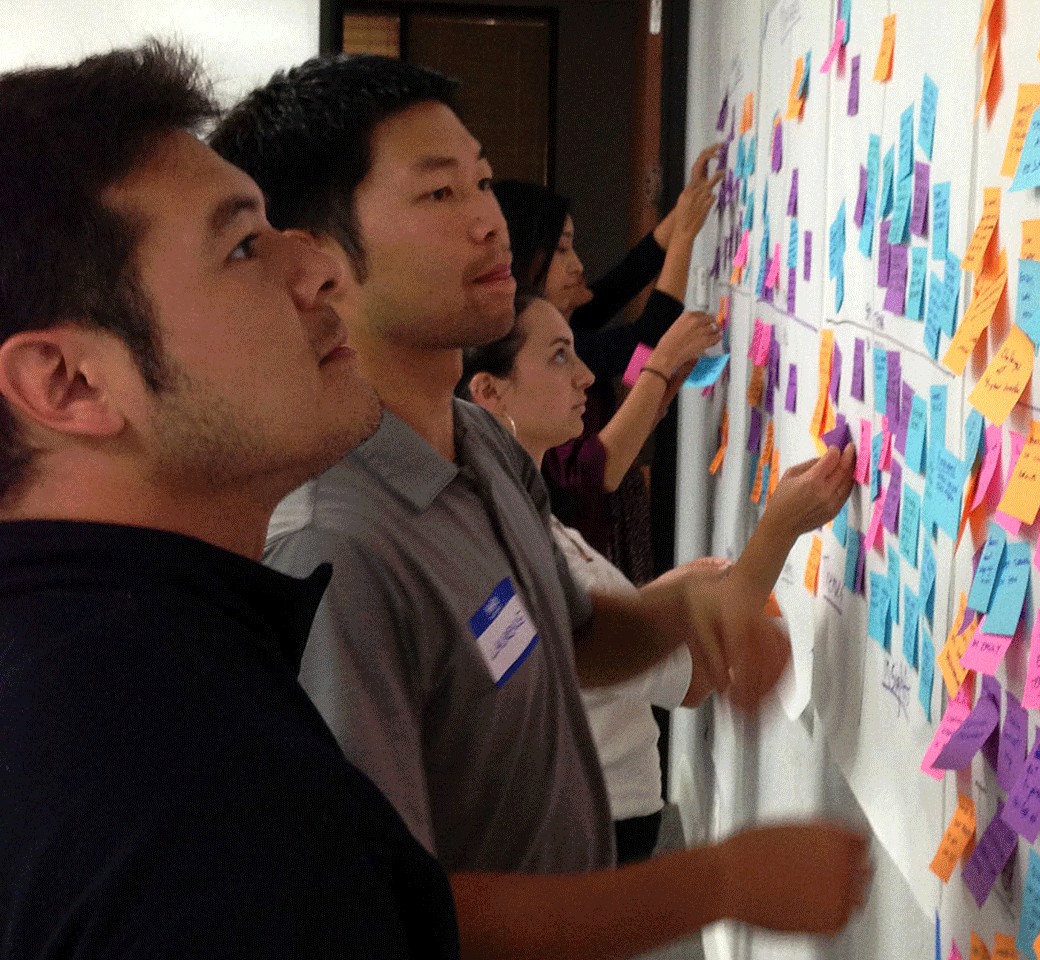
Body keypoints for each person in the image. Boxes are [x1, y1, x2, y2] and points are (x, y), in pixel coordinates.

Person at [212, 53, 869, 960]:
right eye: (438, 195)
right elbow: (392, 909)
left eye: (481, 179)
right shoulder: (332, 544)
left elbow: (573, 643)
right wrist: (718, 881)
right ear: (318, 261)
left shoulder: (477, 440)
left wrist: (687, 606)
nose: (489, 221)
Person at [0, 42, 462, 958]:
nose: (319, 268)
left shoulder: (83, 674)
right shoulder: (216, 820)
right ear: (70, 383)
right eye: (244, 244)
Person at [462, 294, 854, 863]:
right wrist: (782, 524)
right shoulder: (512, 532)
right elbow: (693, 675)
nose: (587, 376)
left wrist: (662, 597)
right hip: (597, 831)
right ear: (489, 392)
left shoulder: (517, 507)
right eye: (557, 358)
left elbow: (576, 626)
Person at [497, 161, 719, 582]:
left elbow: (623, 281)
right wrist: (685, 237)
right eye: (561, 248)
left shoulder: (563, 327)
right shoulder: (537, 345)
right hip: (593, 547)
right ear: (524, 260)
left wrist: (680, 216)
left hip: (612, 528)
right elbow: (648, 340)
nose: (578, 264)